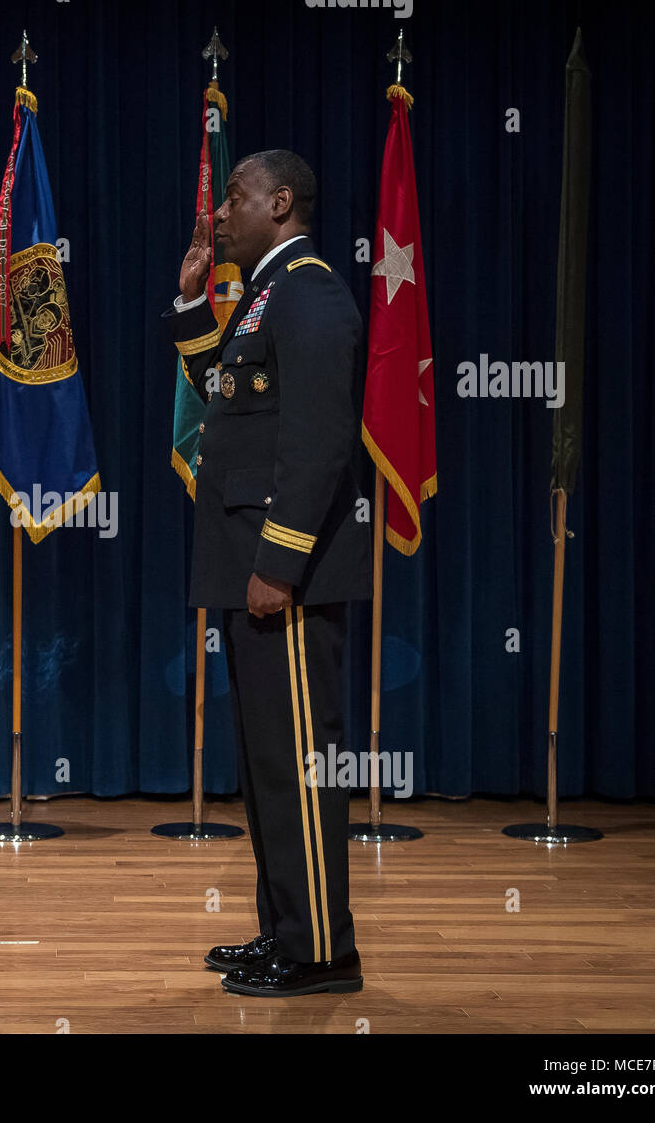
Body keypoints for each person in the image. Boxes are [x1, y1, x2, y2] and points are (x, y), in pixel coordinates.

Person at [164, 150, 371, 997]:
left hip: (283, 574)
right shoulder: (263, 295)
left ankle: (323, 952)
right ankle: (284, 932)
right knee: (268, 768)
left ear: (281, 203)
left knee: (300, 766)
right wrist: (189, 304)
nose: (218, 215)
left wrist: (279, 562)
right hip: (250, 566)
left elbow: (319, 442)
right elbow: (228, 396)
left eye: (235, 199)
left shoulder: (311, 288)